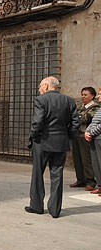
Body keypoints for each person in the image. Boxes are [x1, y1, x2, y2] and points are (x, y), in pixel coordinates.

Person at [27, 76, 80, 218]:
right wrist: (67, 135)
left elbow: (38, 122)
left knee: (38, 174)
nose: (39, 89)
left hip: (42, 142)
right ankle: (55, 209)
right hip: (61, 142)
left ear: (46, 85)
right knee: (57, 175)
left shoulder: (41, 100)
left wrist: (33, 135)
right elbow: (76, 123)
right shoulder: (69, 100)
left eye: (40, 86)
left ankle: (36, 206)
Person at [70, 87, 99, 190]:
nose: (83, 96)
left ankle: (90, 181)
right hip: (76, 135)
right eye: (82, 94)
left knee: (86, 159)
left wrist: (76, 118)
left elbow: (85, 118)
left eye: (85, 95)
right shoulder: (80, 107)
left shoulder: (95, 108)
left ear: (92, 96)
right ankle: (80, 179)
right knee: (77, 159)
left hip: (86, 136)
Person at [85, 90, 101, 195]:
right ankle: (100, 186)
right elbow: (93, 122)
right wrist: (87, 131)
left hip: (98, 137)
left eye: (100, 94)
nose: (98, 96)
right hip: (94, 138)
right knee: (96, 164)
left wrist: (92, 133)